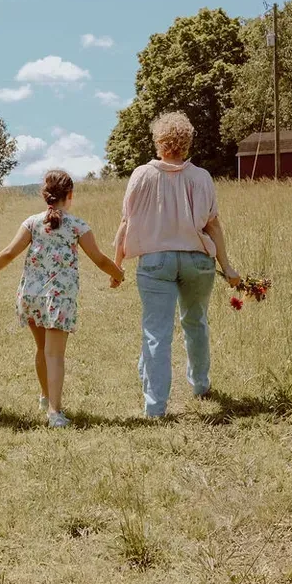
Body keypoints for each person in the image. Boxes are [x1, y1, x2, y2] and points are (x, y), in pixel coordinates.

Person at [113, 112, 241, 419]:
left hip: (156, 262)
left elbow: (126, 222)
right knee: (195, 322)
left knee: (156, 331)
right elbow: (213, 226)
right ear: (186, 143)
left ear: (159, 142)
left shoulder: (142, 175)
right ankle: (200, 384)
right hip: (198, 261)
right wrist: (229, 267)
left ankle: (155, 406)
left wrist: (116, 264)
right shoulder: (201, 178)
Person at [0, 170, 124, 427]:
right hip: (59, 298)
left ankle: (46, 397)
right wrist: (118, 274)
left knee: (42, 349)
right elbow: (100, 258)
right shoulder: (78, 225)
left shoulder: (32, 223)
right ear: (69, 195)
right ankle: (55, 413)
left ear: (45, 195)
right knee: (55, 355)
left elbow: (10, 252)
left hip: (32, 295)